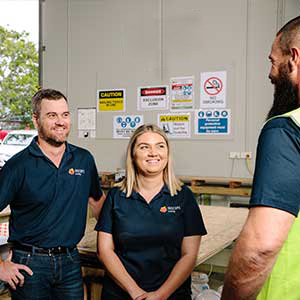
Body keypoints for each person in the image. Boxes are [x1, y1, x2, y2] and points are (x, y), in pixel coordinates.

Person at [221, 16, 300, 300]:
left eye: (273, 61)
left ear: (294, 58)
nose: (270, 73)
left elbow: (259, 250)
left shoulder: (288, 128)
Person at [0, 88, 105, 299]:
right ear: (36, 119)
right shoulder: (18, 166)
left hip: (70, 262)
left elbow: (97, 202)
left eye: (65, 114)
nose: (60, 121)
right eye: (52, 115)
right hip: (29, 265)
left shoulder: (84, 159)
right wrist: (0, 266)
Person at [96, 124, 207, 300]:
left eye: (160, 146)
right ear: (133, 155)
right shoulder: (116, 196)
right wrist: (136, 292)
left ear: (167, 154)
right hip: (121, 293)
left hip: (171, 295)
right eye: (144, 147)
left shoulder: (183, 197)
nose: (153, 152)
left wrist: (161, 295)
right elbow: (105, 251)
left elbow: (189, 255)